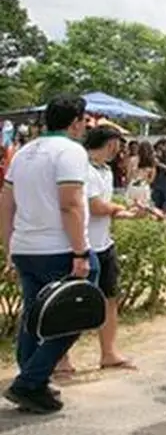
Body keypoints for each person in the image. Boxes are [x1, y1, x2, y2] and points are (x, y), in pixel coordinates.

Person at [1, 95, 95, 415]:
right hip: (59, 248)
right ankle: (29, 382)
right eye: (84, 120)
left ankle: (33, 383)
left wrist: (9, 248)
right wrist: (80, 252)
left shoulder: (25, 152)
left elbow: (6, 204)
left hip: (26, 247)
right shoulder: (71, 152)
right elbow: (70, 204)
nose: (86, 126)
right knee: (74, 315)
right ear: (74, 122)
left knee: (34, 316)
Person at [57, 125, 140, 377]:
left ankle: (109, 352)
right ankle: (61, 357)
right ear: (109, 143)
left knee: (109, 299)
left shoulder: (106, 171)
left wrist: (123, 212)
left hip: (104, 243)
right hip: (83, 245)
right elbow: (94, 206)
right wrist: (117, 209)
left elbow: (104, 206)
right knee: (71, 303)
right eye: (117, 144)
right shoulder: (84, 168)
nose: (119, 151)